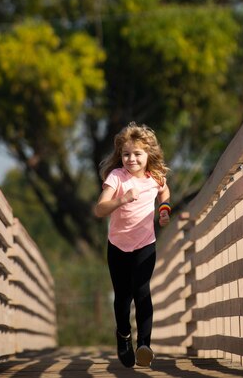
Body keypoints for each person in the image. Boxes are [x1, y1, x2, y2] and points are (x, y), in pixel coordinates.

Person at [94, 122, 171, 368]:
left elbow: (165, 191)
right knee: (123, 298)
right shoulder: (116, 177)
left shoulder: (155, 177)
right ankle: (124, 337)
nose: (131, 159)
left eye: (137, 154)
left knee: (143, 291)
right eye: (126, 154)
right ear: (120, 156)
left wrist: (164, 210)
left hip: (145, 244)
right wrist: (122, 199)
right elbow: (99, 208)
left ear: (148, 155)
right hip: (118, 246)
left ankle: (144, 346)